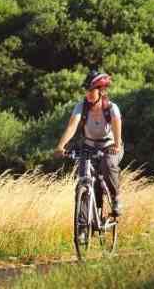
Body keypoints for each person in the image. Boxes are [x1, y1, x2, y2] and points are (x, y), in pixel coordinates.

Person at [54, 70, 123, 218]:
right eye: (87, 90)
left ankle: (116, 198)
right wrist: (61, 146)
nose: (88, 94)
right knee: (84, 178)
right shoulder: (81, 106)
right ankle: (84, 221)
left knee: (108, 165)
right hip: (88, 146)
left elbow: (117, 128)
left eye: (92, 90)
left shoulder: (111, 108)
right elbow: (72, 126)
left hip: (109, 146)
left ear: (101, 91)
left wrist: (116, 145)